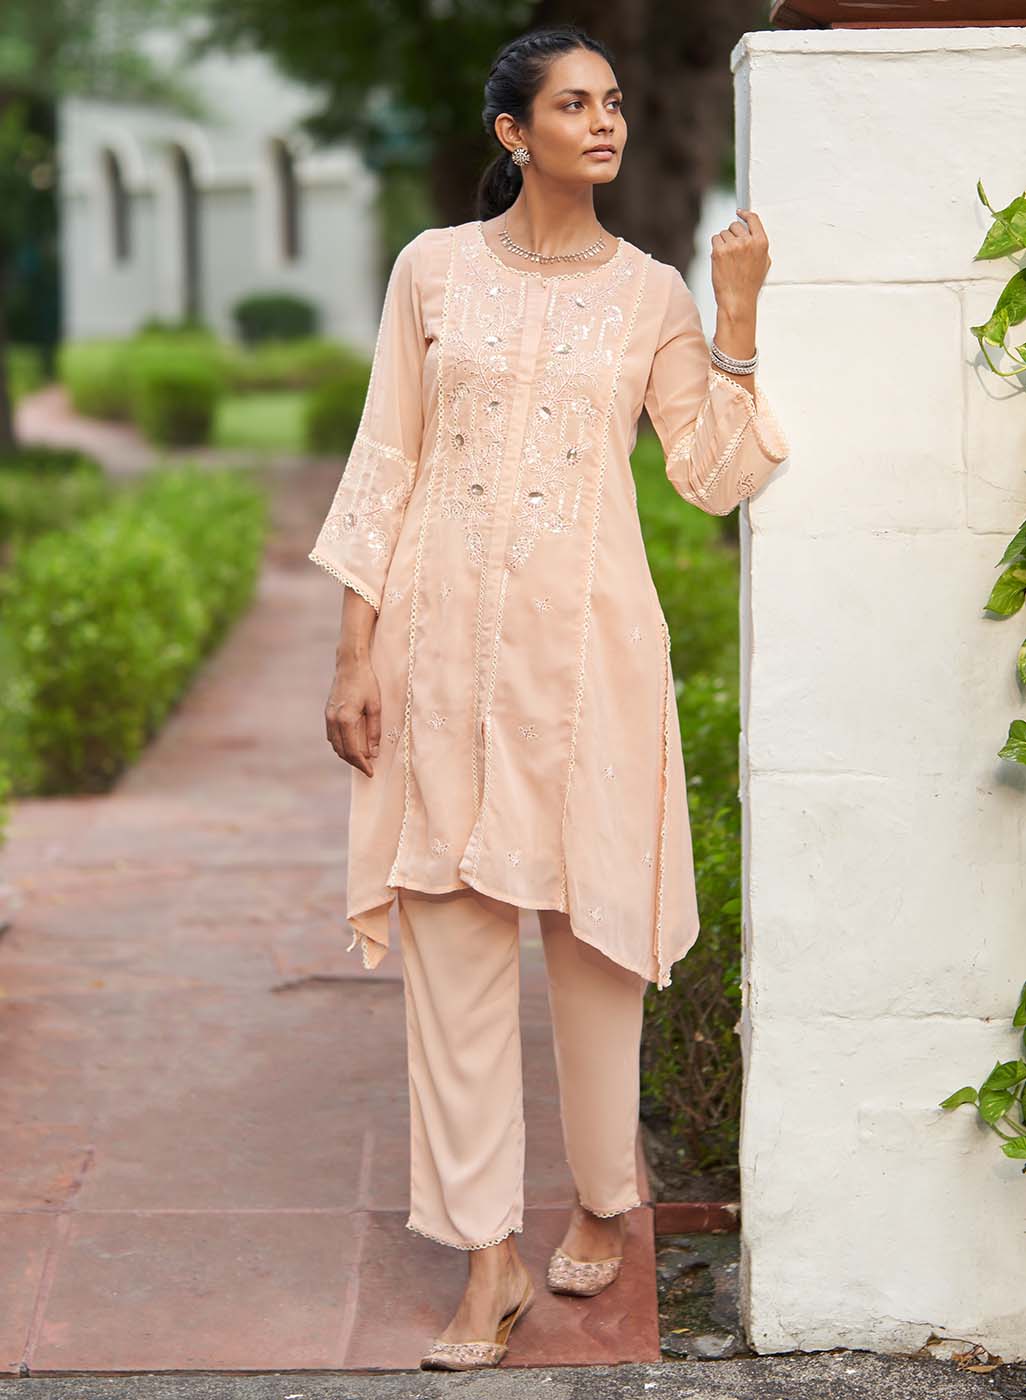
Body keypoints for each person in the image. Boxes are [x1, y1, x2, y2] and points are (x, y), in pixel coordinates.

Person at [309, 23, 790, 1372]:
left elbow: (711, 473)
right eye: (573, 104)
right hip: (437, 657)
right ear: (513, 133)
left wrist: (735, 312)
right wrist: (353, 653)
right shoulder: (432, 270)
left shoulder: (647, 294)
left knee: (595, 944)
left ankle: (602, 1197)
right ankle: (486, 1260)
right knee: (451, 943)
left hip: (587, 665)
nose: (606, 121)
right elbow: (386, 457)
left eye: (614, 101)